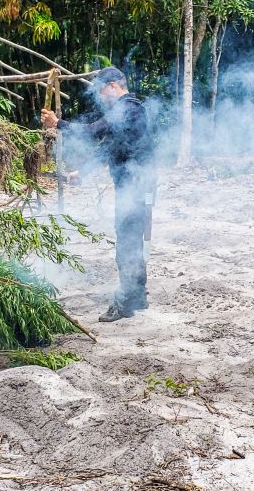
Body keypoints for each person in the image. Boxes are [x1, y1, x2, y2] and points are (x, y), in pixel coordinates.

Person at [41, 67, 155, 323]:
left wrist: (58, 124)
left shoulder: (129, 108)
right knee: (131, 237)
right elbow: (110, 149)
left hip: (137, 185)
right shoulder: (127, 111)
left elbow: (92, 132)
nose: (101, 97)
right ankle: (138, 295)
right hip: (134, 184)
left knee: (127, 240)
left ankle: (126, 302)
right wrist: (83, 172)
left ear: (113, 85)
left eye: (102, 91)